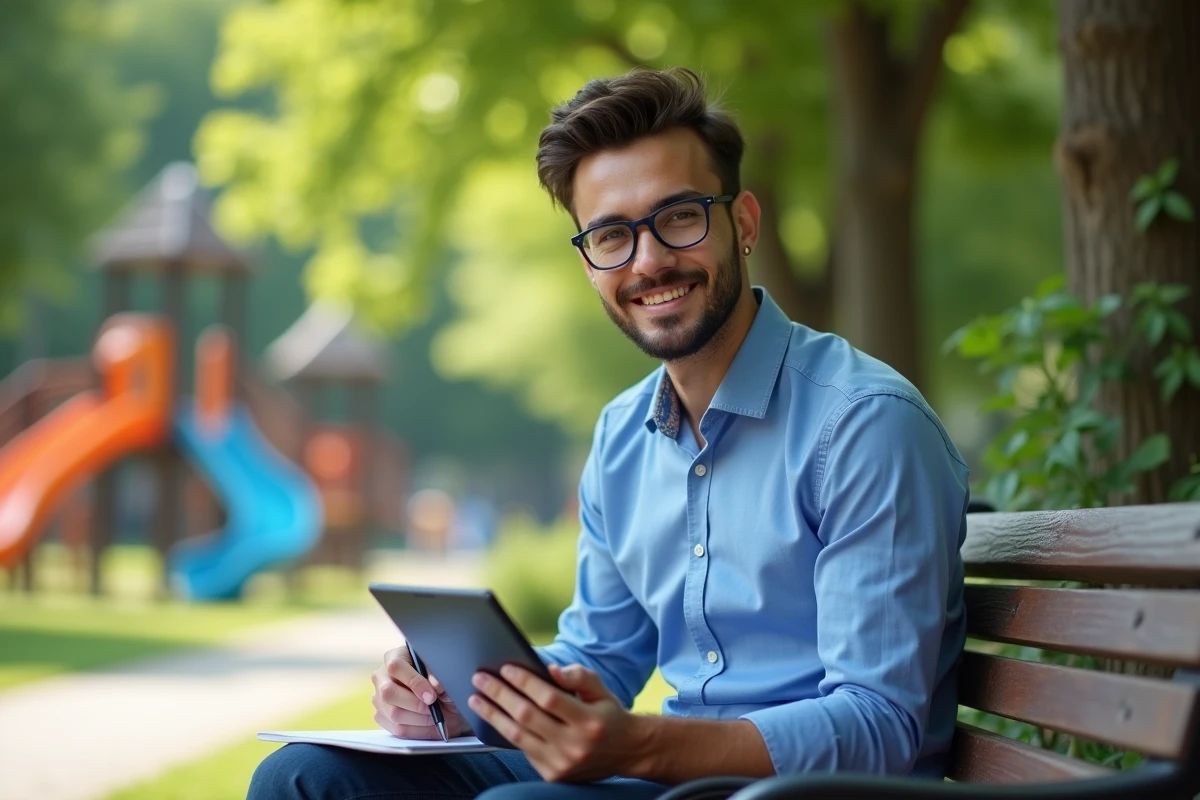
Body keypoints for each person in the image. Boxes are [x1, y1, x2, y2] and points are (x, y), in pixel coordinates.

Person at [249, 66, 969, 800]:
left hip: (814, 793)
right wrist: (456, 694)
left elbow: (881, 727)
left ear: (743, 223)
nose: (648, 260)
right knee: (304, 778)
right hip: (672, 779)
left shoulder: (864, 424)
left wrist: (645, 743)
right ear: (590, 261)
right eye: (611, 236)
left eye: (680, 217)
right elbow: (601, 656)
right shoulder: (623, 434)